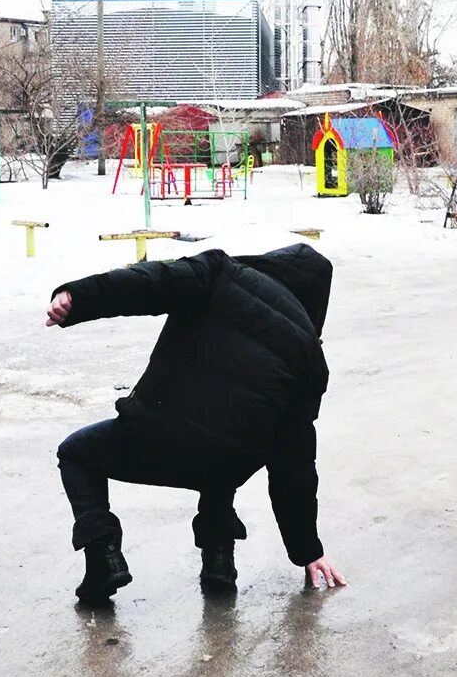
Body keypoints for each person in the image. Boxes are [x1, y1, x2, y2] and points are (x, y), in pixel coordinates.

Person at [47, 242, 346, 603]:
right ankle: (219, 561)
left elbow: (152, 282)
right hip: (224, 465)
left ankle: (103, 556)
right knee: (230, 443)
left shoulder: (220, 274)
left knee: (77, 454)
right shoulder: (310, 358)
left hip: (154, 435)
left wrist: (78, 297)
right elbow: (293, 466)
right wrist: (307, 550)